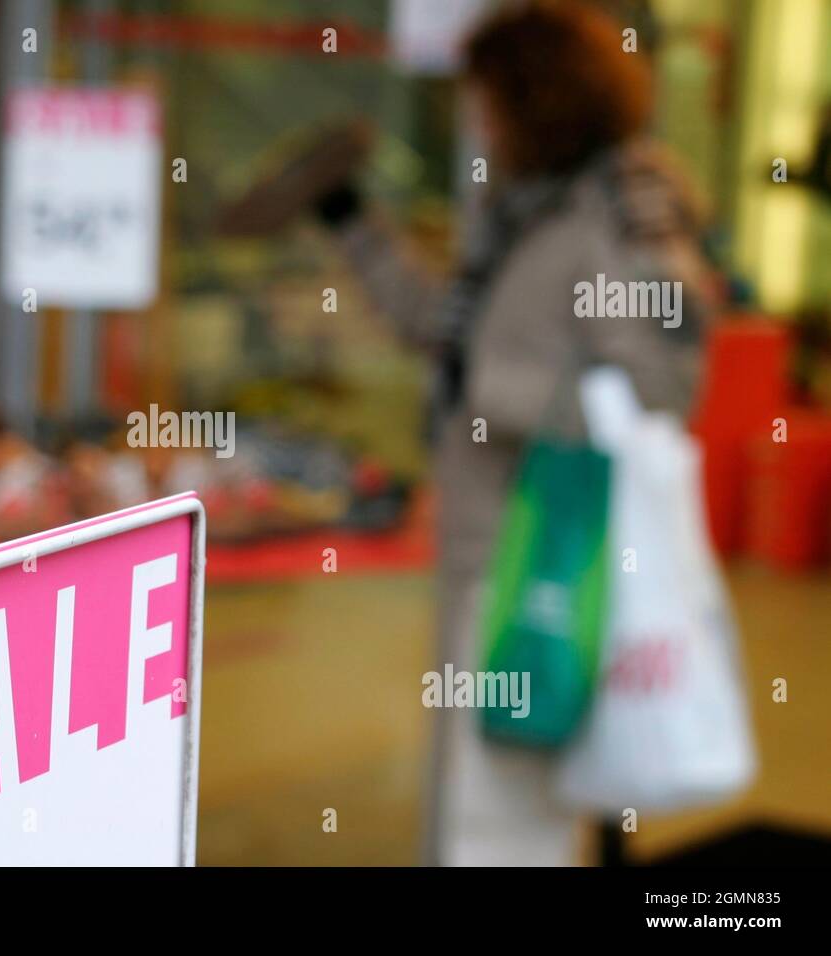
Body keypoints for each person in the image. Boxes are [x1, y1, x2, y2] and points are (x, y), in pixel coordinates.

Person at [229, 1, 717, 864]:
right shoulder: (522, 212)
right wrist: (347, 218)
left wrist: (500, 393)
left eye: (486, 99)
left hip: (551, 557)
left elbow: (663, 384)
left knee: (502, 819)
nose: (475, 120)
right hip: (490, 547)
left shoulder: (622, 212)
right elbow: (446, 331)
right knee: (483, 799)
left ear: (538, 100)